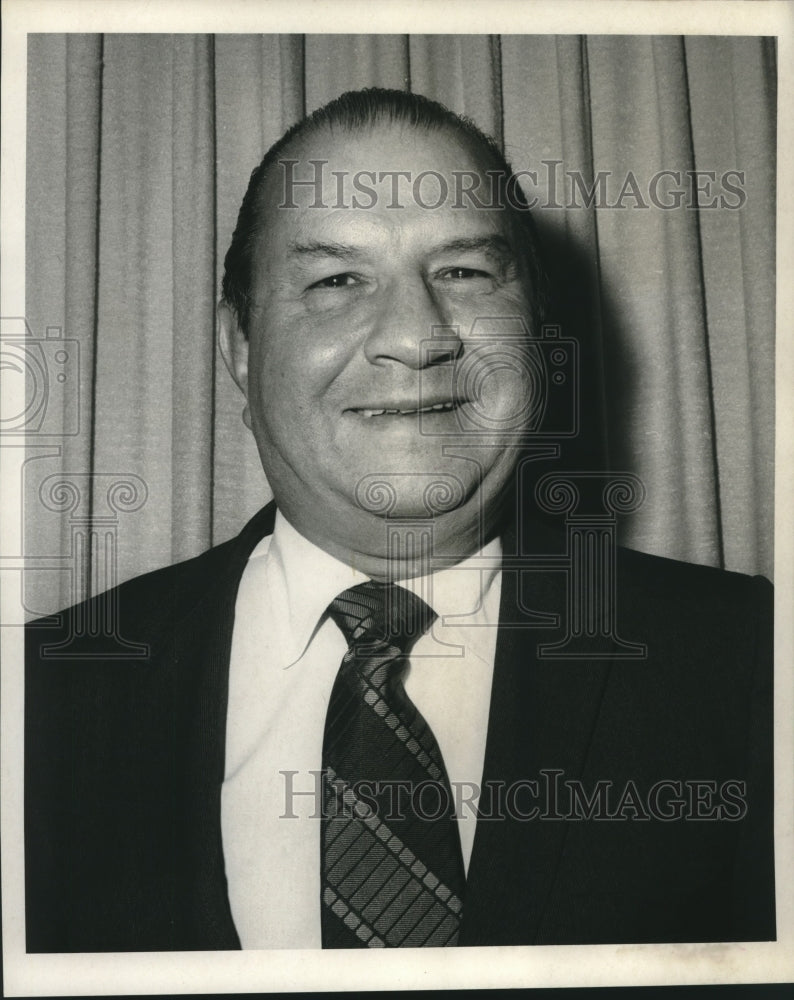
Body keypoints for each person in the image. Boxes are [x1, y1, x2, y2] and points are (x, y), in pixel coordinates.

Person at [25, 88, 775, 952]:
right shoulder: (41, 701)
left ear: (534, 328)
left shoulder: (751, 663)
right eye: (337, 280)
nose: (417, 337)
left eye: (462, 271)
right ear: (239, 347)